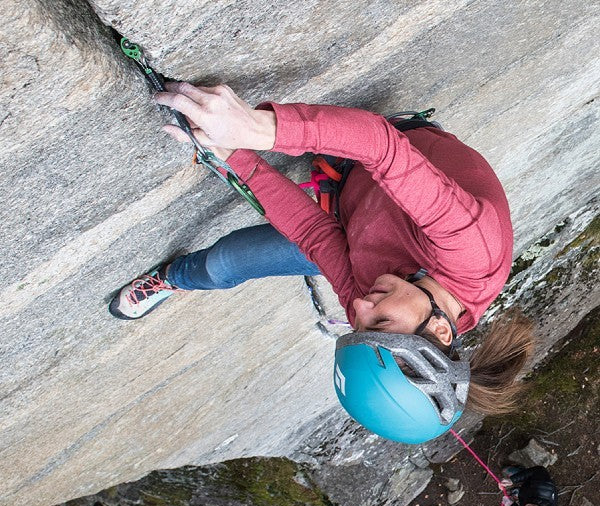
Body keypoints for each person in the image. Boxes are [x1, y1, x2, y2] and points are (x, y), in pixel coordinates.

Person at [109, 82, 534, 441]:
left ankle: (174, 277)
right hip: (390, 151)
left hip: (351, 218)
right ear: (440, 328)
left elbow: (315, 236)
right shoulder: (472, 253)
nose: (358, 307)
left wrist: (233, 154)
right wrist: (255, 128)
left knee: (226, 261)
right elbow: (383, 147)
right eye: (380, 322)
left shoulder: (375, 311)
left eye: (358, 327)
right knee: (242, 252)